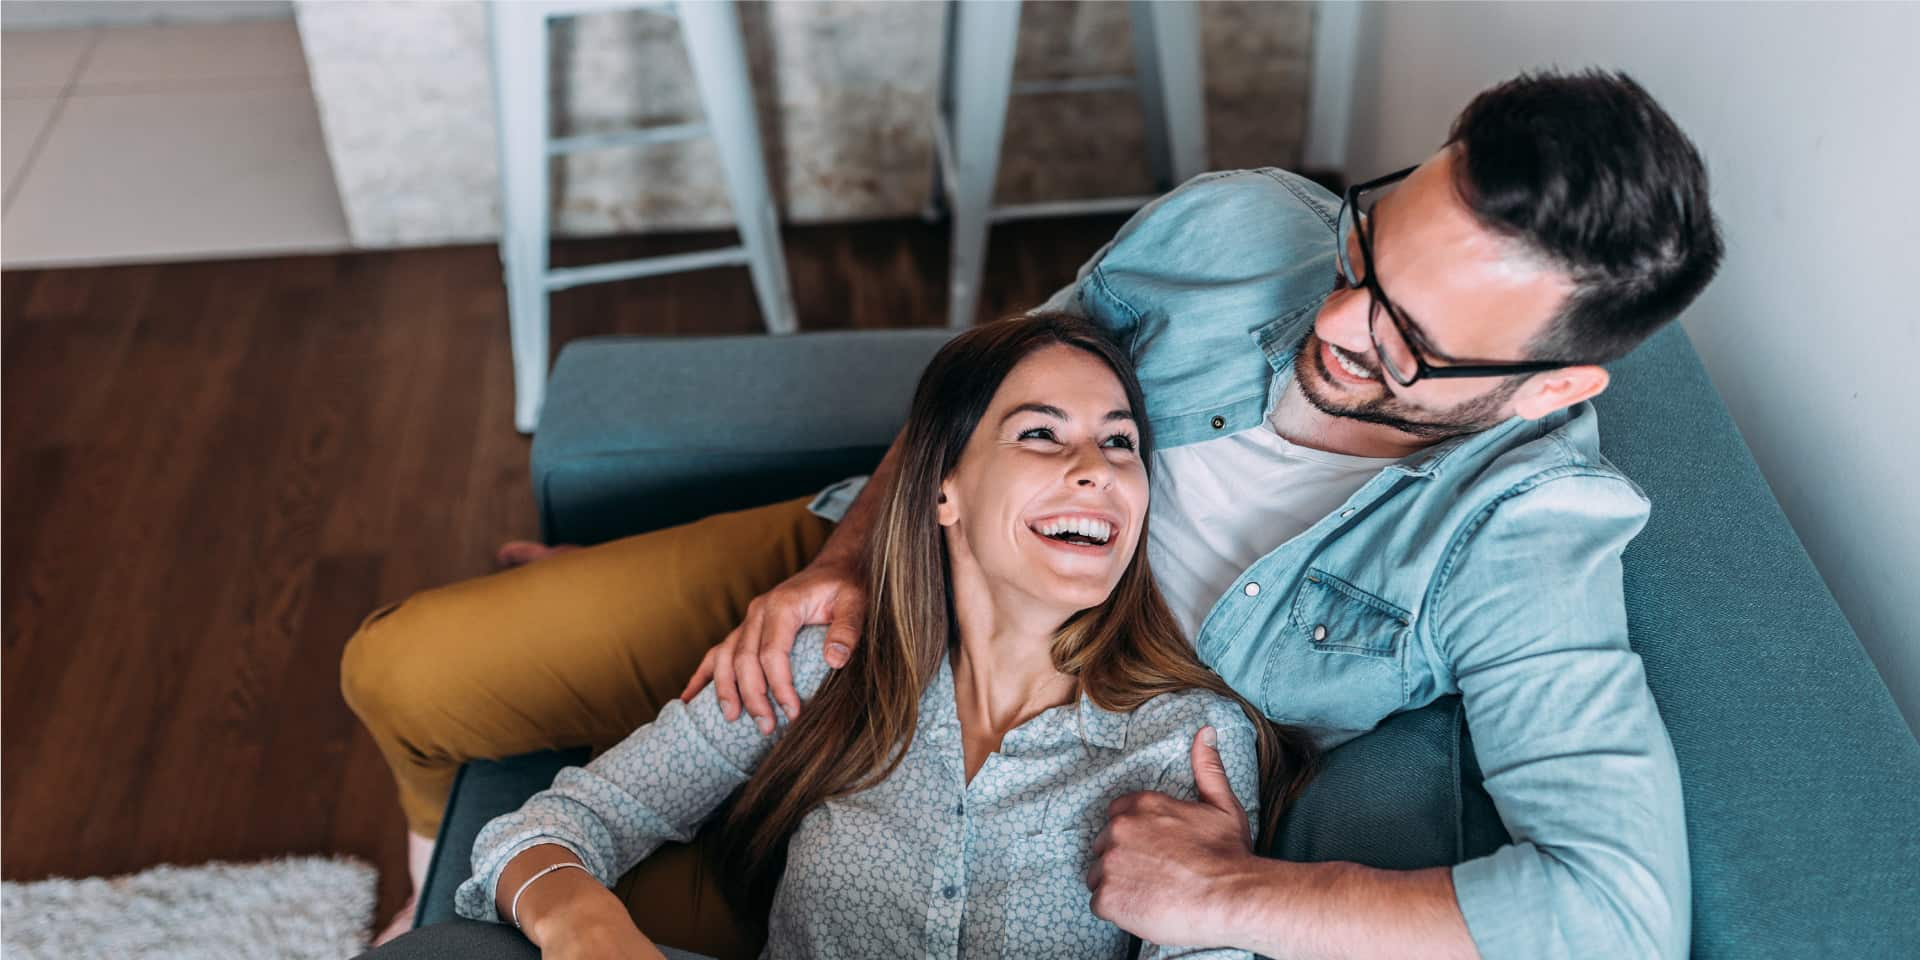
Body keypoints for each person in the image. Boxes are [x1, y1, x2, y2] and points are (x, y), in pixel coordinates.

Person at [346, 68, 1722, 958]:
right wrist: (836, 567)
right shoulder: (1248, 228)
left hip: (1054, 743)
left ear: (1547, 389)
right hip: (882, 569)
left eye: (1406, 343)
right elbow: (1006, 384)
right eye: (1368, 247)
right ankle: (429, 858)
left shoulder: (1532, 535)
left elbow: (1618, 907)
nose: (1337, 320)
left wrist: (1225, 895)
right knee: (406, 671)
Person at [419, 315, 1311, 958]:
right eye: (1042, 434)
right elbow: (547, 832)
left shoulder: (1185, 741)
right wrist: (589, 929)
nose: (1094, 470)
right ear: (941, 491)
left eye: (1120, 446)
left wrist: (1223, 914)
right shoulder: (827, 668)